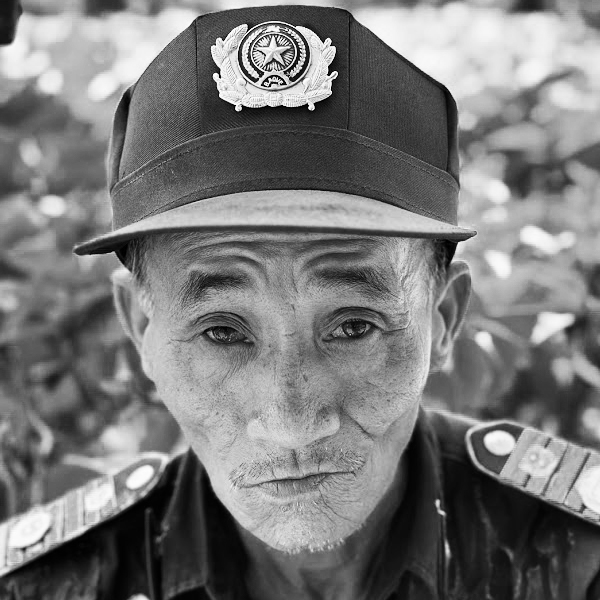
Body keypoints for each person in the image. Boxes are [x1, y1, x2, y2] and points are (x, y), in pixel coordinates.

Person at [1, 5, 600, 599]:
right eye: (222, 332)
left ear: (443, 319)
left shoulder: (579, 562)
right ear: (140, 328)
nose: (292, 424)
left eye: (354, 326)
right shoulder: (48, 588)